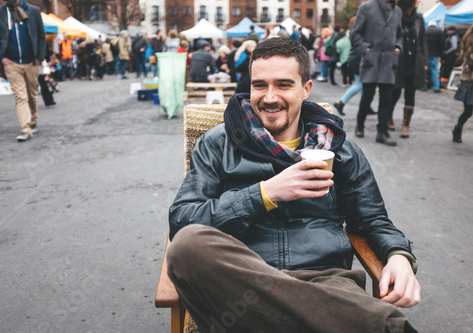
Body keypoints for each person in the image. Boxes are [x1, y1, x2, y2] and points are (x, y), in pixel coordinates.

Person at [167, 37, 420, 333]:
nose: (270, 97)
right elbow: (182, 220)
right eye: (260, 85)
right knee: (187, 246)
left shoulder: (339, 148)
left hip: (325, 282)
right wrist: (265, 194)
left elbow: (372, 219)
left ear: (306, 89)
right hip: (242, 286)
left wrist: (399, 255)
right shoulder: (218, 143)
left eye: (284, 85)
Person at [350, 0, 403, 147]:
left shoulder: (398, 11)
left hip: (389, 61)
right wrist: (366, 49)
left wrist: (398, 48)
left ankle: (382, 132)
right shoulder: (366, 7)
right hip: (371, 60)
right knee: (367, 96)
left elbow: (400, 35)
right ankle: (360, 124)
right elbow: (355, 33)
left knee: (387, 98)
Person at [0, 0, 46, 142]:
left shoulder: (33, 11)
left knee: (31, 94)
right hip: (11, 63)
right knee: (20, 96)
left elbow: (41, 35)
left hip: (31, 62)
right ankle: (25, 128)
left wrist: (39, 58)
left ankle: (33, 119)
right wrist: (1, 57)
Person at [388, 0, 428, 138]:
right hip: (399, 60)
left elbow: (423, 39)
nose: (419, 1)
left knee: (410, 93)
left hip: (414, 61)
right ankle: (388, 115)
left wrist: (425, 60)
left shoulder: (418, 18)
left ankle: (406, 125)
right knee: (395, 92)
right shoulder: (395, 14)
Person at [452, 24, 473, 144]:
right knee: (468, 111)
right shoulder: (470, 38)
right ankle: (458, 129)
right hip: (469, 79)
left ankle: (457, 129)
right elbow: (470, 59)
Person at [424, 21, 443, 93]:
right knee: (434, 70)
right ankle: (436, 87)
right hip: (435, 53)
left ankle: (423, 86)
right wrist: (441, 54)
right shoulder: (439, 31)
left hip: (426, 54)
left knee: (424, 70)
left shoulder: (425, 31)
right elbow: (441, 43)